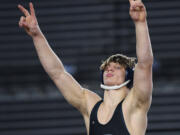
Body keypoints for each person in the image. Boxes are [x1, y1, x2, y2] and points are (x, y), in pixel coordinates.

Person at [18, 0, 153, 134]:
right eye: (107, 67)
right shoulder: (90, 104)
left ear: (128, 75)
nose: (109, 69)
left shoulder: (135, 103)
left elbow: (144, 64)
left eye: (117, 67)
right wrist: (37, 36)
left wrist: (140, 23)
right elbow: (58, 74)